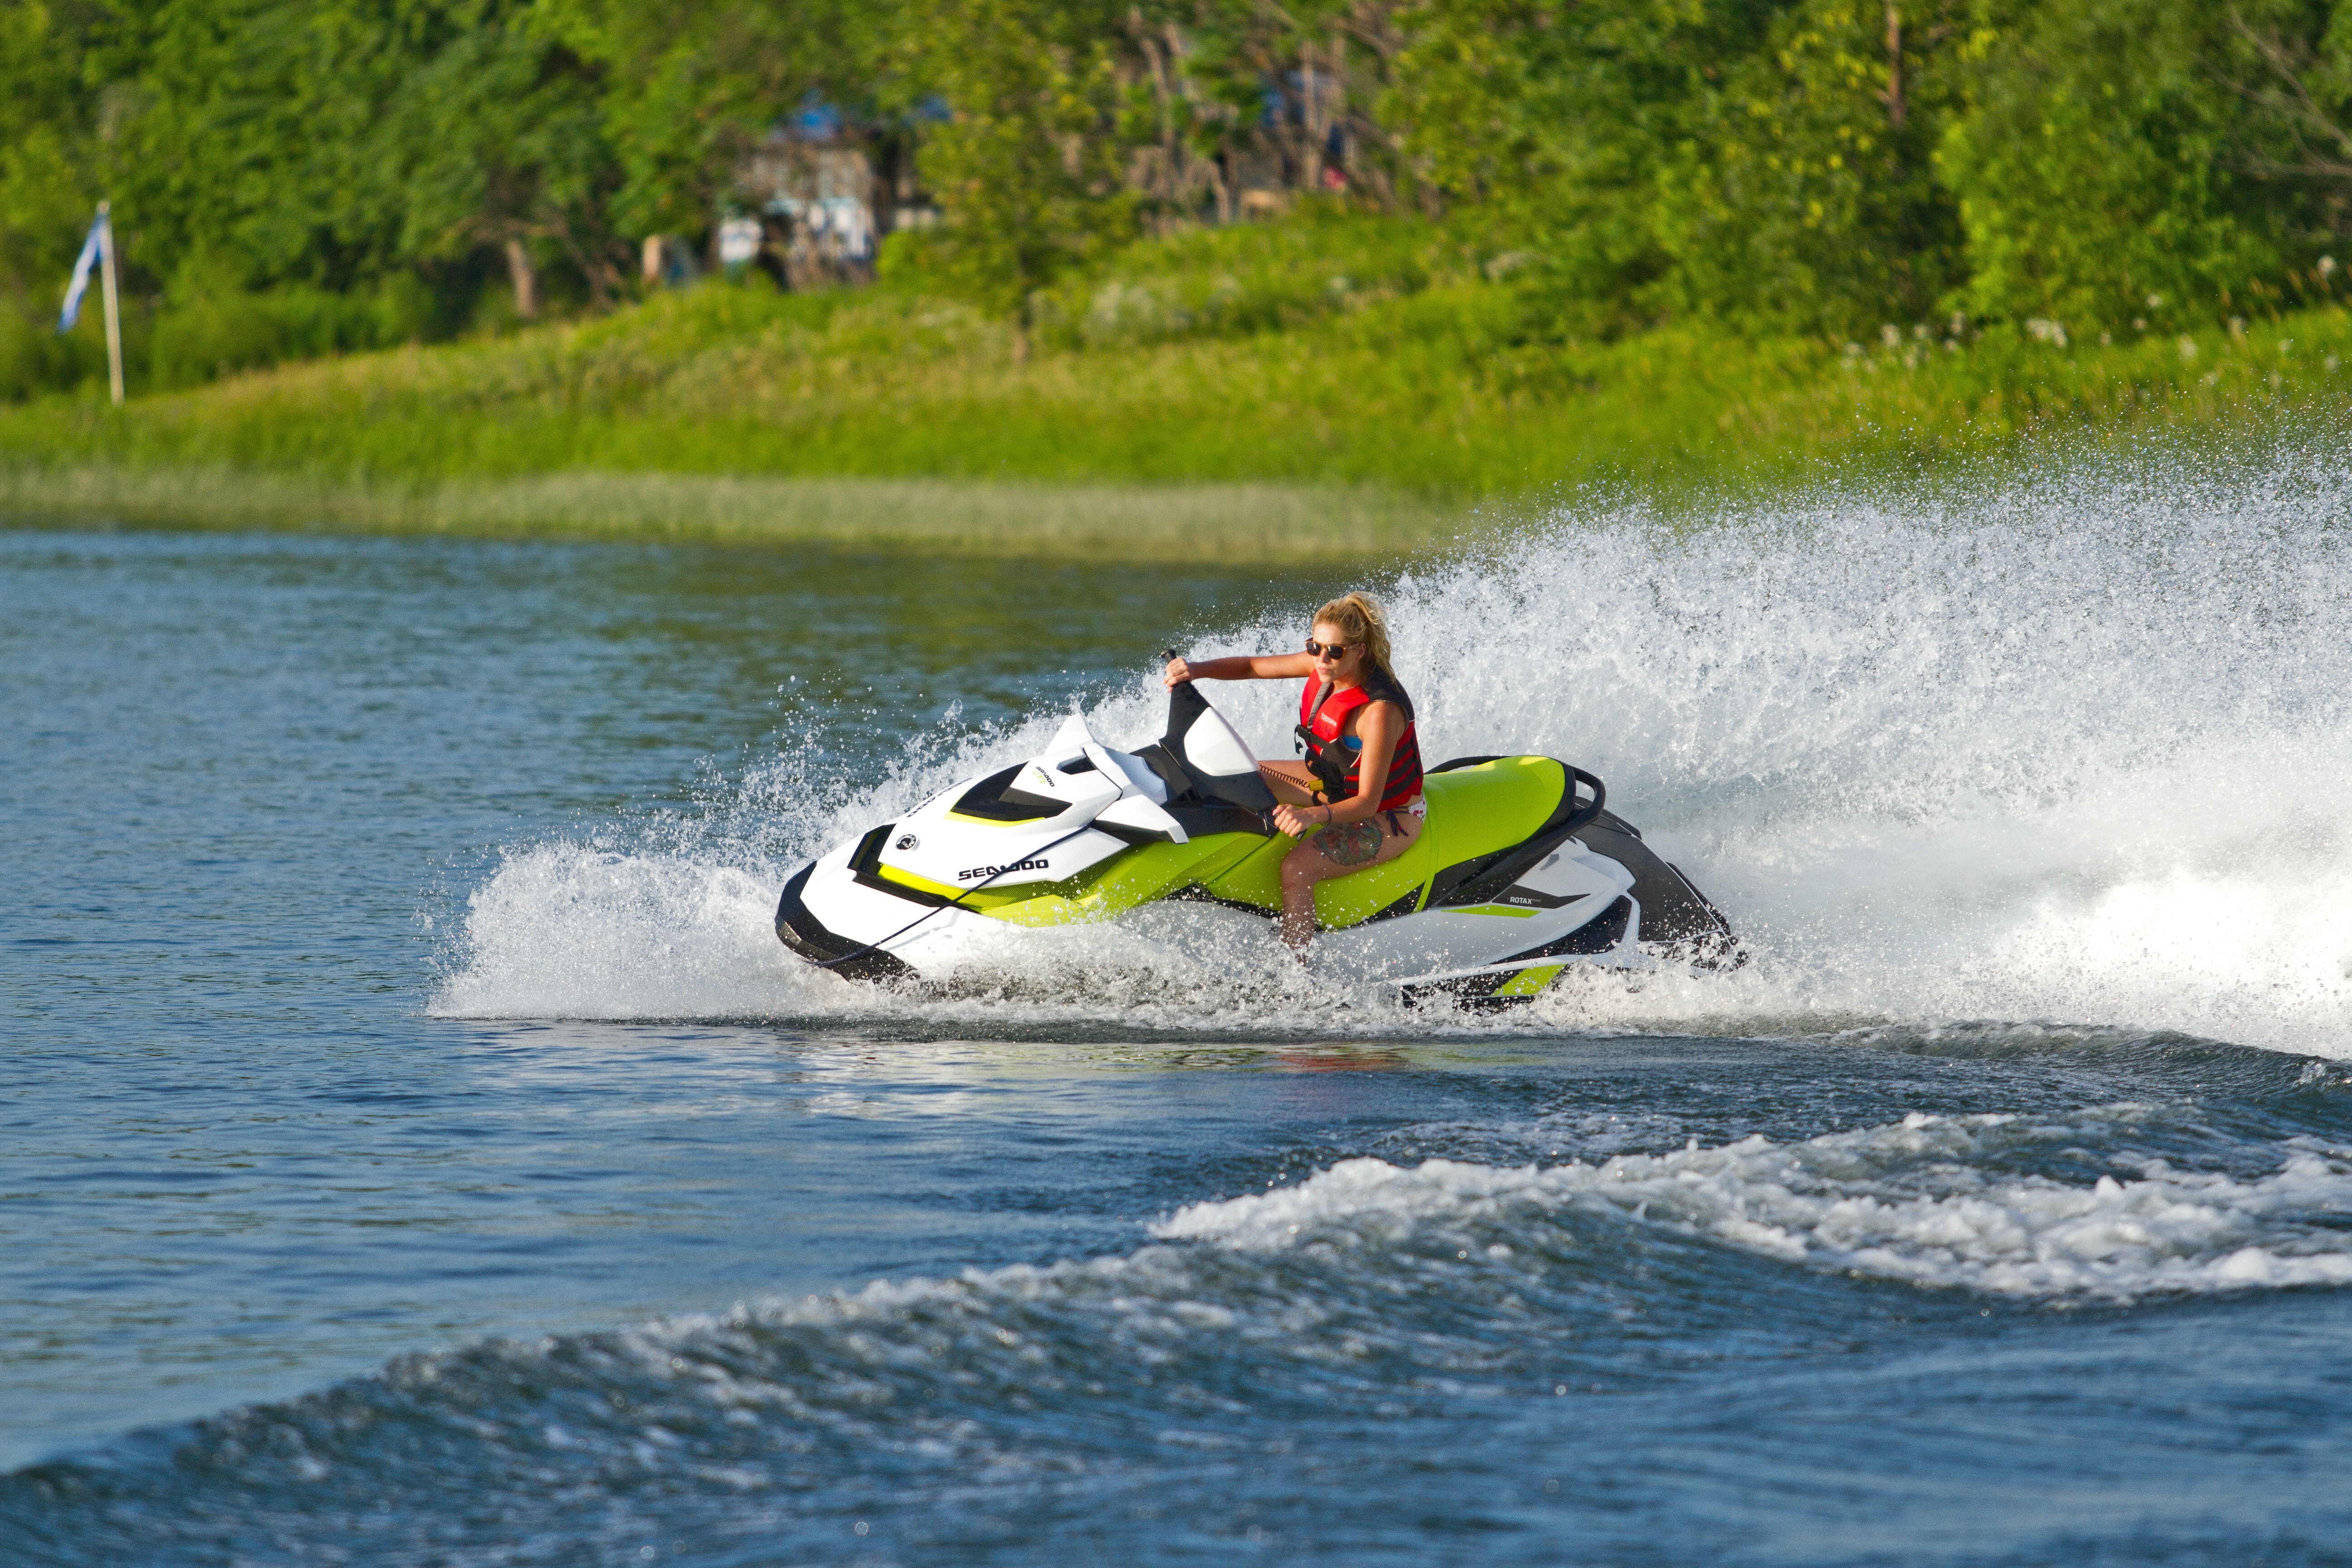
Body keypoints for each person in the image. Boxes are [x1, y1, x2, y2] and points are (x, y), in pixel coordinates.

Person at [1163, 592, 1424, 955]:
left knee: (1297, 869)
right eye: (1315, 646)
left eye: (1334, 651)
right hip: (1335, 784)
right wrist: (1197, 669)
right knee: (1239, 775)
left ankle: (1295, 974)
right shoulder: (1323, 666)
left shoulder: (1378, 712)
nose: (1321, 658)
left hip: (1391, 815)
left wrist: (1310, 816)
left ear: (1359, 651)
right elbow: (1251, 666)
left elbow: (1367, 803)